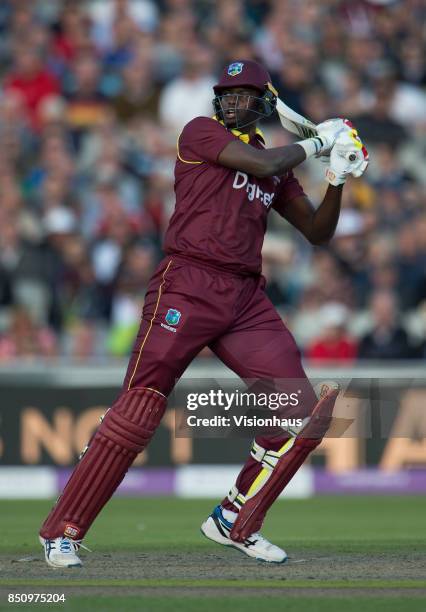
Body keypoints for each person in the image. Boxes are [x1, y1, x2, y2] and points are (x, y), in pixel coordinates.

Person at [38, 59, 368, 567]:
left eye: (244, 94)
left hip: (244, 297)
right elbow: (265, 165)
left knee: (299, 412)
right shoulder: (201, 133)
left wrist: (338, 175)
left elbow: (319, 232)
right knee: (138, 411)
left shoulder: (274, 159)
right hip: (186, 283)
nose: (233, 100)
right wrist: (319, 142)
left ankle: (235, 518)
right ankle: (62, 532)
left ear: (264, 104)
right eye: (227, 92)